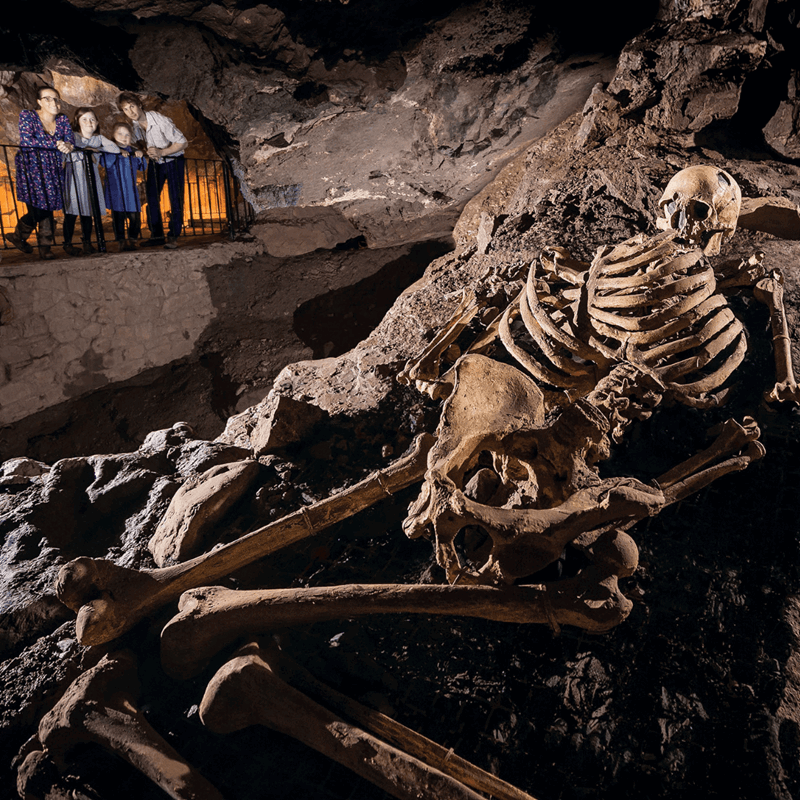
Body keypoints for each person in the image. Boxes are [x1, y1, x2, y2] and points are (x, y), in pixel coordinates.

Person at [8, 86, 75, 260]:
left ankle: (34, 243)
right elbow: (28, 140)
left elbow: (70, 140)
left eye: (56, 98)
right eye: (47, 98)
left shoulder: (62, 120)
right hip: (31, 168)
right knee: (38, 208)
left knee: (49, 206)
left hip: (52, 169)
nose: (53, 102)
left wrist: (68, 145)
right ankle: (35, 243)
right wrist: (57, 144)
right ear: (39, 102)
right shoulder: (28, 116)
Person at [118, 92, 187, 249]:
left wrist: (162, 152)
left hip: (173, 160)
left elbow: (182, 142)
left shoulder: (159, 120)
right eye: (126, 109)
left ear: (140, 105)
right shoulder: (135, 127)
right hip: (157, 163)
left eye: (132, 106)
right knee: (152, 197)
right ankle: (157, 235)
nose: (131, 111)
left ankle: (173, 236)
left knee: (175, 198)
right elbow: (132, 143)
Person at [62, 107, 120, 256]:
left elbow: (115, 149)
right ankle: (67, 243)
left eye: (92, 119)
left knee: (87, 211)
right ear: (77, 122)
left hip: (90, 180)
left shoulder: (98, 139)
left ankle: (86, 242)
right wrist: (87, 149)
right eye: (85, 119)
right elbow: (65, 153)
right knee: (71, 212)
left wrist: (98, 147)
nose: (89, 122)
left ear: (97, 122)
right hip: (74, 179)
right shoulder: (73, 137)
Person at [102, 122, 146, 251]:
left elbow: (142, 167)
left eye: (127, 134)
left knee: (135, 216)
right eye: (120, 134)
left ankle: (133, 239)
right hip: (116, 190)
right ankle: (121, 240)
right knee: (118, 217)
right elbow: (106, 163)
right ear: (113, 135)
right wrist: (116, 151)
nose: (124, 137)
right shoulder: (109, 149)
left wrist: (140, 155)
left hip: (130, 190)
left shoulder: (132, 150)